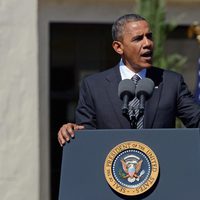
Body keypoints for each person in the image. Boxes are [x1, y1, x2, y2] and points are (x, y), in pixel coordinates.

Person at [58, 13, 200, 146]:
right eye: (138, 38)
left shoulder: (171, 82)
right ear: (118, 47)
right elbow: (86, 135)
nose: (147, 43)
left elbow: (196, 120)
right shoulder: (94, 86)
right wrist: (72, 131)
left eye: (149, 36)